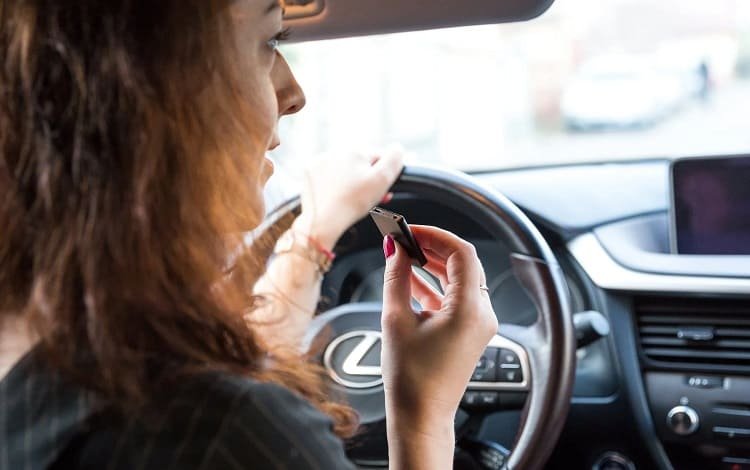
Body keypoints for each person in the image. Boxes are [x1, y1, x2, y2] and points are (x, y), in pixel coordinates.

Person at [0, 1, 499, 469]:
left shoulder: (44, 359)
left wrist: (314, 234)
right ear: (149, 93)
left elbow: (226, 357)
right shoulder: (224, 431)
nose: (295, 94)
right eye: (271, 40)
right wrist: (422, 417)